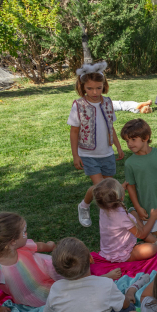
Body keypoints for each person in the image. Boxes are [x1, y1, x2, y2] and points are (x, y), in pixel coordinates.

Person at [43, 237, 149, 312]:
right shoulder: (105, 284)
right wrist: (126, 298)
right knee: (128, 309)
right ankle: (132, 290)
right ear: (90, 258)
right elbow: (125, 305)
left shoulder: (56, 288)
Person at [68, 61, 124, 228]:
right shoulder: (78, 106)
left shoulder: (107, 103)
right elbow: (74, 132)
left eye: (98, 88)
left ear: (104, 86)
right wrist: (75, 155)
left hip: (106, 153)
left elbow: (111, 127)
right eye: (90, 88)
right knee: (99, 187)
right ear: (83, 87)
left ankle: (109, 214)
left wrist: (118, 147)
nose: (94, 92)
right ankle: (84, 206)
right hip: (88, 154)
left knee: (110, 187)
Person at [0, 212, 59, 312]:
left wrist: (49, 246)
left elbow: (41, 246)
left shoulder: (21, 246)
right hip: (31, 298)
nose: (27, 234)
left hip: (44, 277)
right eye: (24, 232)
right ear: (13, 241)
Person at [93, 178, 157, 262]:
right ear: (121, 197)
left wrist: (121, 187)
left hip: (109, 249)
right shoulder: (122, 217)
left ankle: (155, 241)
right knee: (151, 249)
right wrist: (153, 217)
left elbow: (108, 196)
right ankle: (156, 242)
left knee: (133, 212)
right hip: (120, 254)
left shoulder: (104, 207)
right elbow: (142, 234)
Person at [122, 119, 157, 236]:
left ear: (146, 137)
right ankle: (134, 213)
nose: (130, 144)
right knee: (154, 237)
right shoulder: (130, 163)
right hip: (147, 206)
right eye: (127, 141)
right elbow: (131, 187)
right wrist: (138, 207)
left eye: (133, 139)